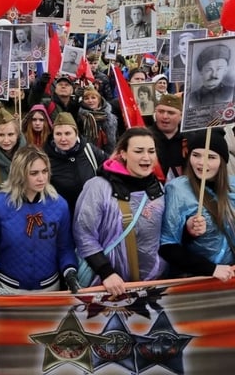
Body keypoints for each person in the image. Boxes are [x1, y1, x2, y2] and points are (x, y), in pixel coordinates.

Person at [73, 127, 167, 295]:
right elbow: (84, 233)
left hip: (150, 287)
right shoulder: (98, 187)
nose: (146, 157)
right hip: (108, 288)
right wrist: (106, 272)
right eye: (139, 151)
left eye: (151, 151)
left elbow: (163, 236)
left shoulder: (158, 188)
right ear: (123, 153)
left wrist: (190, 229)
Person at [0, 146, 79, 294]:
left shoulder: (60, 205)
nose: (42, 178)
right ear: (19, 174)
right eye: (34, 173)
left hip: (49, 289)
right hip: (8, 289)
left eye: (45, 171)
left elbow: (65, 247)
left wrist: (70, 273)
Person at [160, 129, 235, 280]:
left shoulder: (233, 185)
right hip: (196, 280)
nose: (201, 162)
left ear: (222, 161)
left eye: (211, 157)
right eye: (196, 155)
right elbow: (167, 246)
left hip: (231, 277)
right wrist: (189, 232)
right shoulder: (177, 189)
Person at [44, 112, 107, 217]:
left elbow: (110, 167)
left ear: (76, 134)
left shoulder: (89, 150)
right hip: (63, 217)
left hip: (93, 215)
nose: (63, 139)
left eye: (68, 133)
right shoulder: (45, 158)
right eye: (58, 134)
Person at [150, 94, 187, 179]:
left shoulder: (188, 139)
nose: (165, 116)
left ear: (181, 116)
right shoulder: (145, 137)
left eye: (171, 113)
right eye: (161, 111)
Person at [188, 44, 235, 108]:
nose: (214, 75)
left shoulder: (232, 92)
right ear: (201, 71)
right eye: (209, 69)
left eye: (219, 69)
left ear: (225, 69)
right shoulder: (191, 98)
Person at [78, 86, 118, 154]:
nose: (90, 101)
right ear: (83, 101)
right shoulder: (81, 117)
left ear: (99, 99)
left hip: (109, 153)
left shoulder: (110, 117)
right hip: (90, 153)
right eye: (86, 98)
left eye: (93, 97)